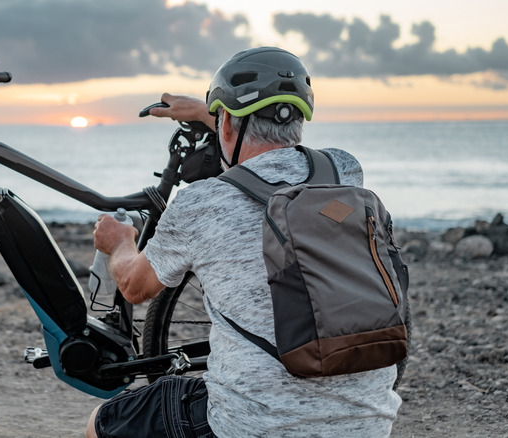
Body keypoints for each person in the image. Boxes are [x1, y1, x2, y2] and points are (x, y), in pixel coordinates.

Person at [86, 47, 402, 438]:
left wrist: (119, 243)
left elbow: (135, 287)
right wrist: (215, 115)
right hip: (368, 424)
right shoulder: (345, 171)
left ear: (228, 127)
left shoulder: (201, 203)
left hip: (250, 426)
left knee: (102, 422)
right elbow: (277, 146)